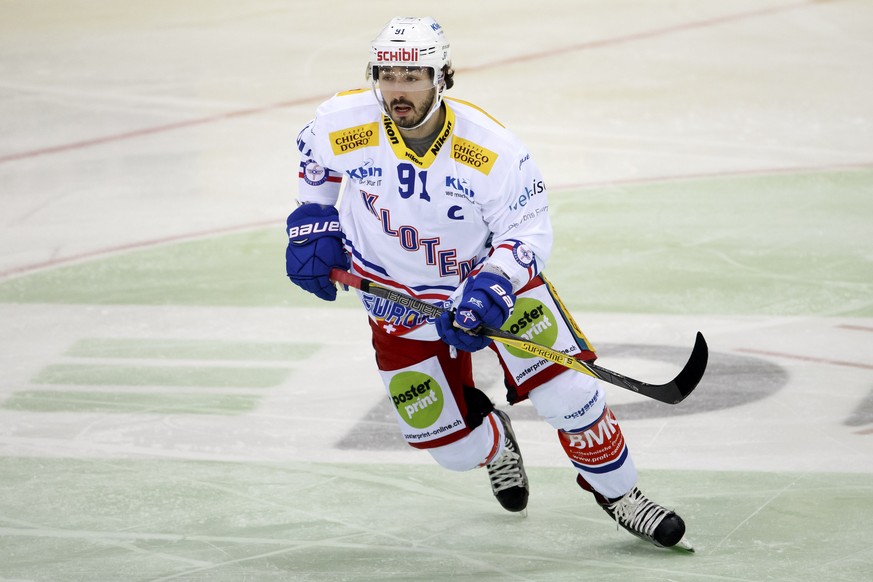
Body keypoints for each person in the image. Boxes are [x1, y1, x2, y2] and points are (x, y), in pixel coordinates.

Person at [285, 16, 692, 551]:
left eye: (413, 77)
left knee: (569, 394)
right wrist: (312, 222)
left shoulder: (490, 148)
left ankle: (620, 495)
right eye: (387, 75)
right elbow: (315, 163)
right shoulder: (342, 121)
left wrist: (494, 286)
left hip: (490, 286)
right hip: (395, 302)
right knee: (451, 449)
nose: (397, 91)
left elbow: (528, 230)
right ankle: (495, 440)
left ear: (442, 76)